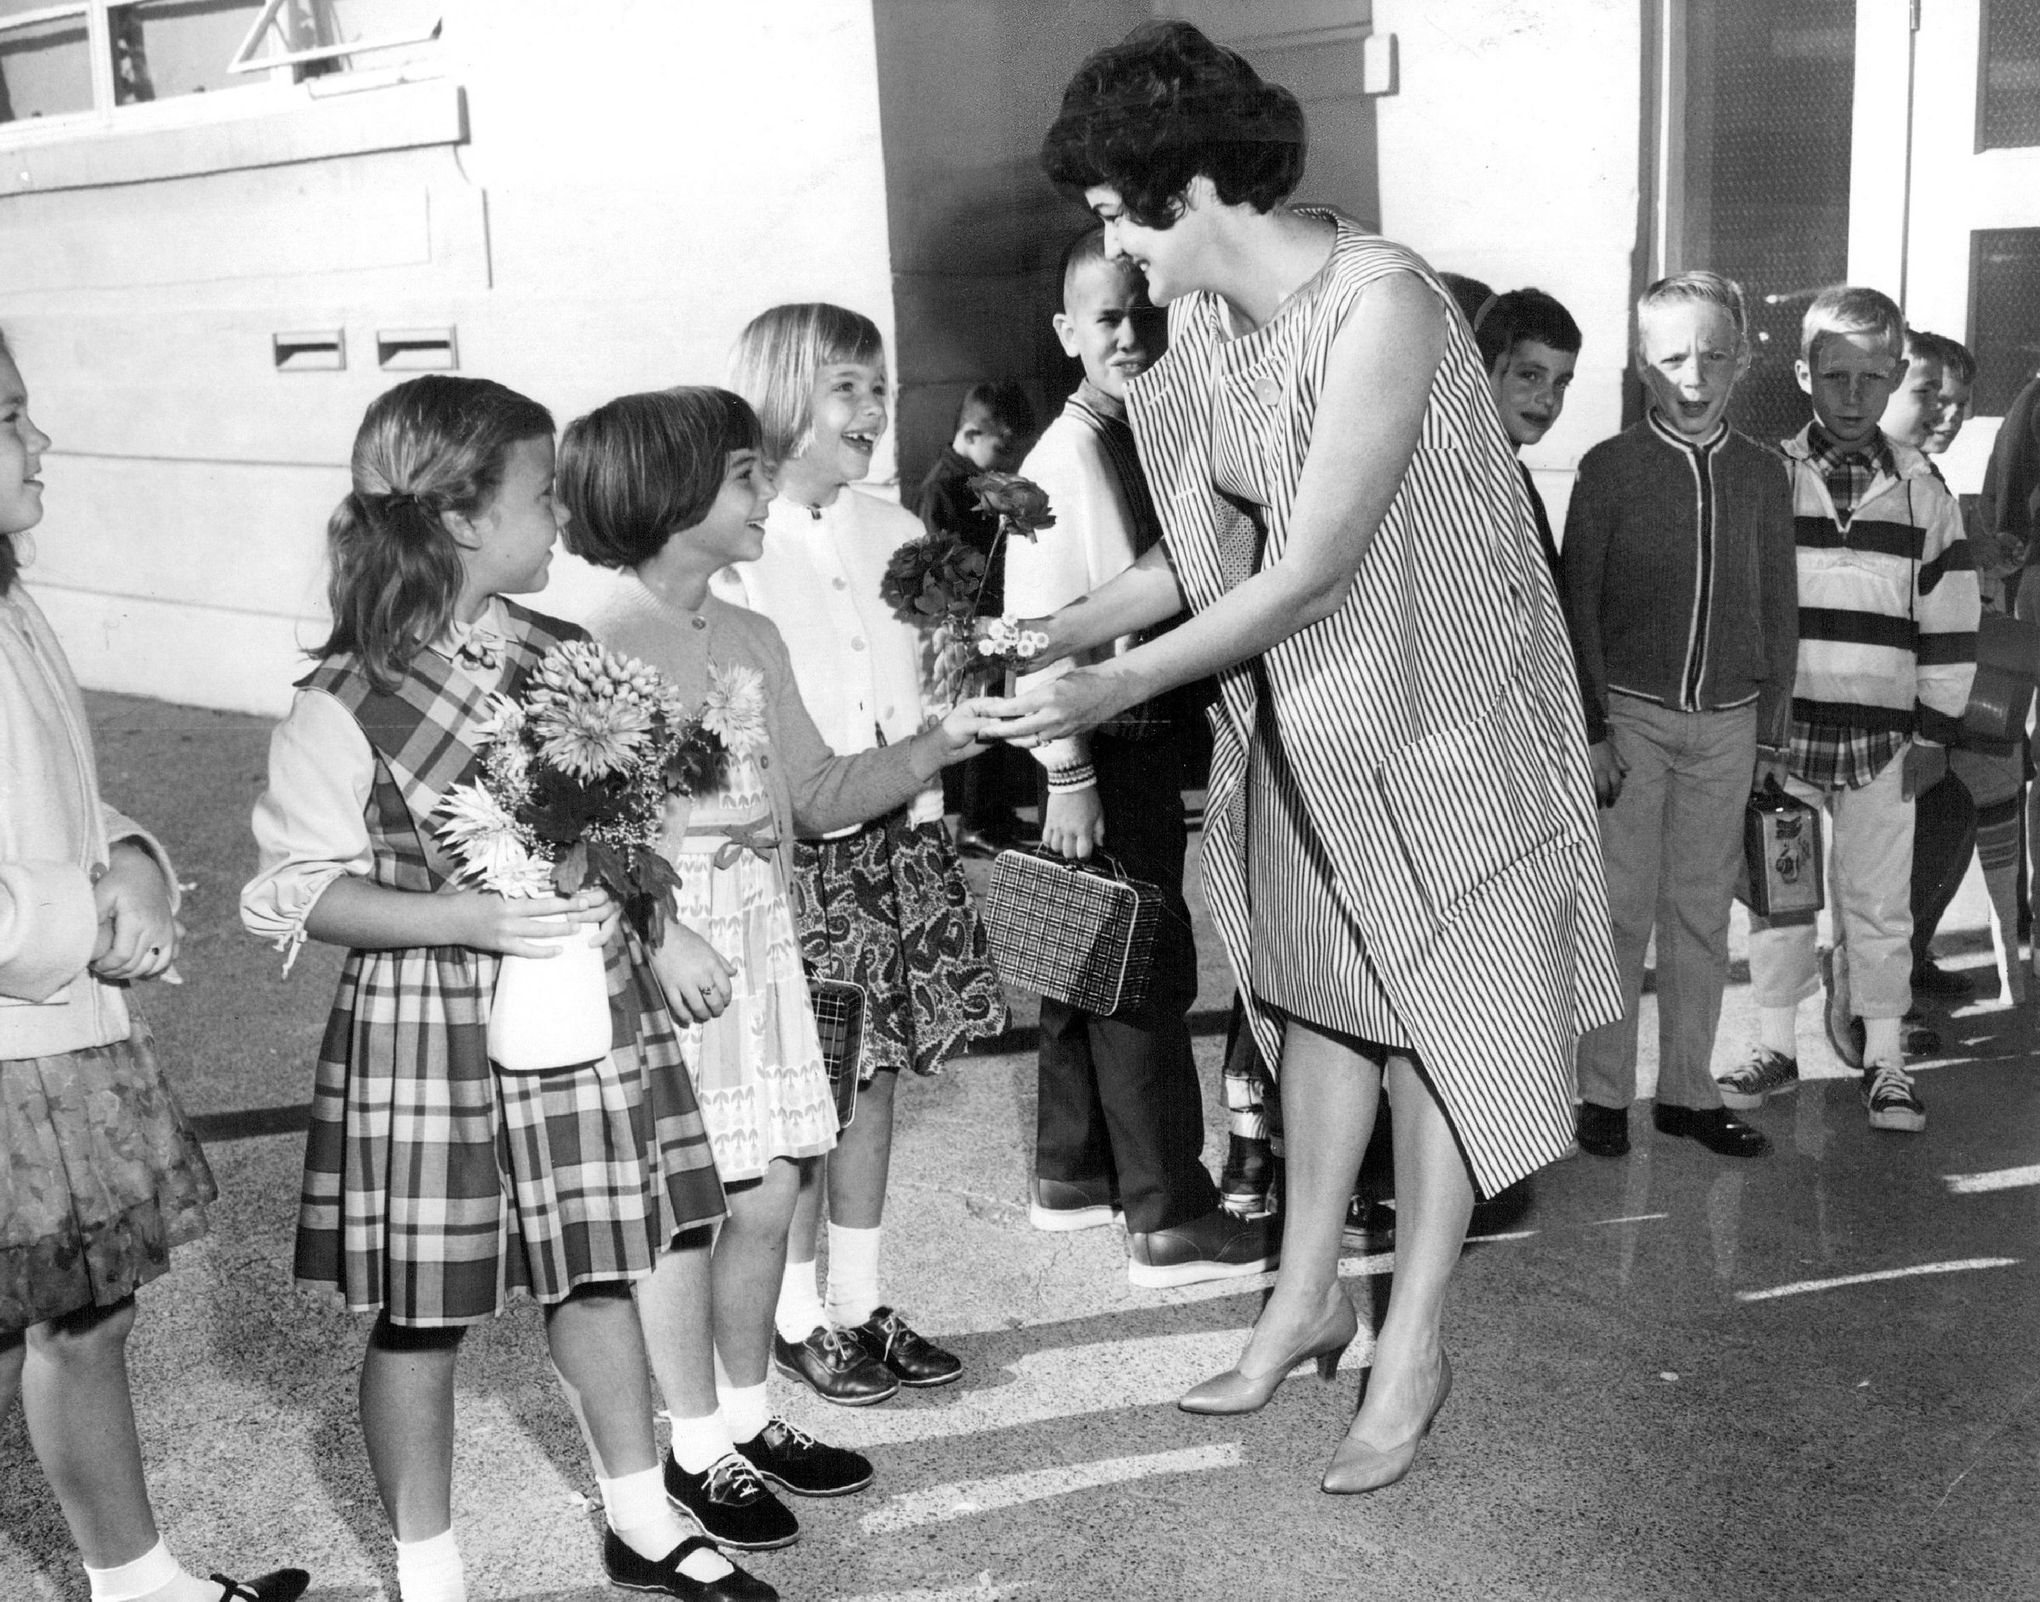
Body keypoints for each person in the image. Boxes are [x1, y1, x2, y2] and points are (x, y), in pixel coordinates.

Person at [997, 22, 1620, 1493]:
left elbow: (1318, 564)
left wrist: (1115, 687)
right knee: (1316, 993)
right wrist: (1049, 637)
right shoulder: (1208, 321)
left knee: (1437, 1015)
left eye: (1115, 204)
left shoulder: (1384, 304)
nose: (1108, 235)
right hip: (1316, 722)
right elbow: (1209, 553)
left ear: (1196, 186)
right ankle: (1304, 1295)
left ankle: (1413, 1340)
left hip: (1446, 724)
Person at [242, 377, 769, 1602]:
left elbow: (622, 825)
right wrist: (462, 918)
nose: (565, 512)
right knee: (423, 1313)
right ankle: (430, 1571)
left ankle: (641, 1519)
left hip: (580, 1007)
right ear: (468, 520)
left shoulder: (566, 658)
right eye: (544, 493)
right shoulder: (346, 701)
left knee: (596, 1268)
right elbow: (296, 890)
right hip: (429, 1029)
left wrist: (659, 916)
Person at [562, 387, 988, 1546]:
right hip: (662, 950)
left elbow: (816, 793)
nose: (766, 493)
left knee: (772, 1188)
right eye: (745, 476)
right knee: (678, 1214)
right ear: (667, 495)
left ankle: (744, 1420)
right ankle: (692, 1445)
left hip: (760, 932)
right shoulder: (596, 639)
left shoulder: (748, 632)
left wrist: (945, 741)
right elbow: (567, 826)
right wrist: (663, 924)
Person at [0, 334, 310, 1602]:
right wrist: (77, 909)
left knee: (86, 1315)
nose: (41, 442)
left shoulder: (11, 599)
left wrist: (129, 860)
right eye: (12, 417)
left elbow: (56, 790)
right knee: (69, 1321)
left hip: (57, 1026)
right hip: (20, 1034)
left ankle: (138, 1581)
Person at [720, 304, 1008, 1407]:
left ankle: (857, 1299)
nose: (873, 409)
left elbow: (930, 671)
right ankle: (794, 1317)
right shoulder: (745, 546)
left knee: (874, 1075)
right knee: (808, 1091)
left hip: (903, 835)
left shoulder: (892, 530)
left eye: (880, 388)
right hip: (807, 850)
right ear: (784, 396)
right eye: (845, 387)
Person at [1002, 226, 1274, 1285]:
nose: (1131, 335)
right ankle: (1168, 1213)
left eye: (1143, 314)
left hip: (1118, 728)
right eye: (1107, 318)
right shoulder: (1062, 461)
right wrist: (1066, 774)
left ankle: (1074, 1173)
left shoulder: (1130, 432)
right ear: (1068, 331)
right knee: (1141, 968)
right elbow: (1035, 636)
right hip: (1103, 738)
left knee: (1080, 955)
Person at [1721, 288, 1978, 1135]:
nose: (1855, 394)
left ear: (1898, 375)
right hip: (1787, 740)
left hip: (1886, 741)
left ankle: (1886, 1056)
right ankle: (1774, 1044)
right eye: (1836, 375)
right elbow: (1749, 606)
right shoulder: (1770, 476)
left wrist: (1937, 728)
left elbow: (1949, 616)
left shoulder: (1920, 490)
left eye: (1875, 376)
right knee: (1780, 899)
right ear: (1803, 374)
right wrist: (1755, 728)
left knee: (1877, 904)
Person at [1558, 271, 1796, 1161]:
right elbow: (1577, 603)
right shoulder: (1611, 469)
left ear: (1742, 359)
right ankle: (1601, 1091)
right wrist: (1592, 727)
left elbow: (1781, 601)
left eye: (1714, 354)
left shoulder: (1762, 473)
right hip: (1632, 719)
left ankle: (1689, 1091)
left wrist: (1772, 729)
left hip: (1730, 723)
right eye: (1672, 357)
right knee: (1620, 909)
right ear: (1641, 364)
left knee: (1700, 911)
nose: (1694, 375)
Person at [1886, 334, 2030, 1004]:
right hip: (1897, 707)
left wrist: (1983, 556)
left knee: (1951, 827)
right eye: (1930, 395)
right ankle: (1869, 997)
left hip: (1941, 700)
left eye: (1961, 402)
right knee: (1908, 851)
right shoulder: (1879, 476)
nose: (1949, 413)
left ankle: (1909, 964)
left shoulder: (1926, 473)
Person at [910, 381, 1037, 859]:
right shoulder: (942, 489)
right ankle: (976, 822)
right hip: (967, 625)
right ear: (970, 433)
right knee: (985, 719)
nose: (1008, 460)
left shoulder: (975, 482)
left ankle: (994, 813)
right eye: (1001, 447)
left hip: (991, 619)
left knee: (1001, 713)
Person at [1471, 286, 1583, 576]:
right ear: (1489, 370)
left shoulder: (1518, 480)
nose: (1548, 398)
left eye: (1561, 382)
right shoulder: (1462, 481)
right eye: (1530, 376)